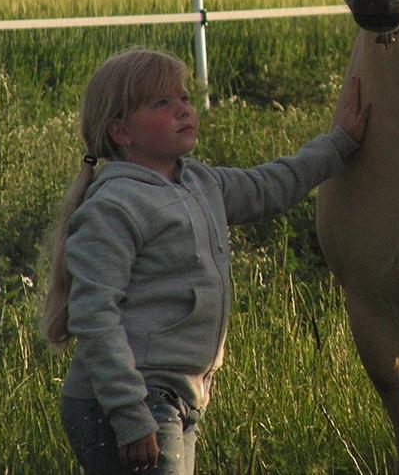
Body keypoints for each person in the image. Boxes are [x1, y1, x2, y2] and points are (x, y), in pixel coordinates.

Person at [40, 48, 368, 474]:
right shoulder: (115, 205)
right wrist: (129, 413)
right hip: (130, 400)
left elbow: (271, 185)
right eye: (162, 103)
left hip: (177, 397)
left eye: (184, 98)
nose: (183, 110)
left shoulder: (198, 180)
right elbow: (94, 315)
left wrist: (340, 143)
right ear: (121, 131)